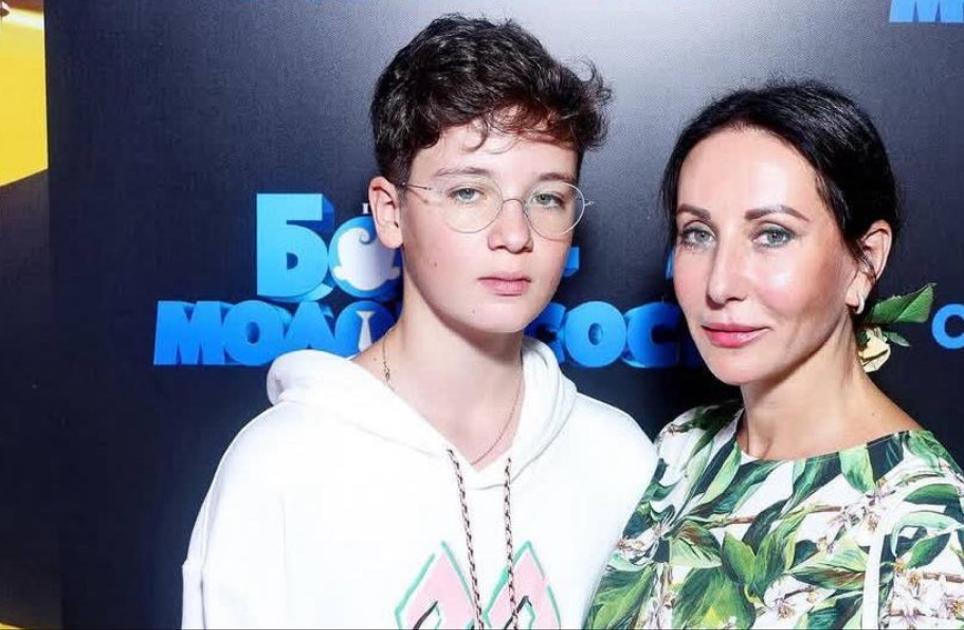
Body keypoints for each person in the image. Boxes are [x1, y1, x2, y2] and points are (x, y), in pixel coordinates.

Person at [182, 15, 654, 629]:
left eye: (547, 197)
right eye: (468, 193)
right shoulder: (280, 468)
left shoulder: (618, 458)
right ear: (390, 212)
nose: (515, 234)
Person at [586, 82, 964, 629]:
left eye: (773, 235)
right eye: (698, 234)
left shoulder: (935, 544)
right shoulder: (683, 450)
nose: (720, 283)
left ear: (864, 261)